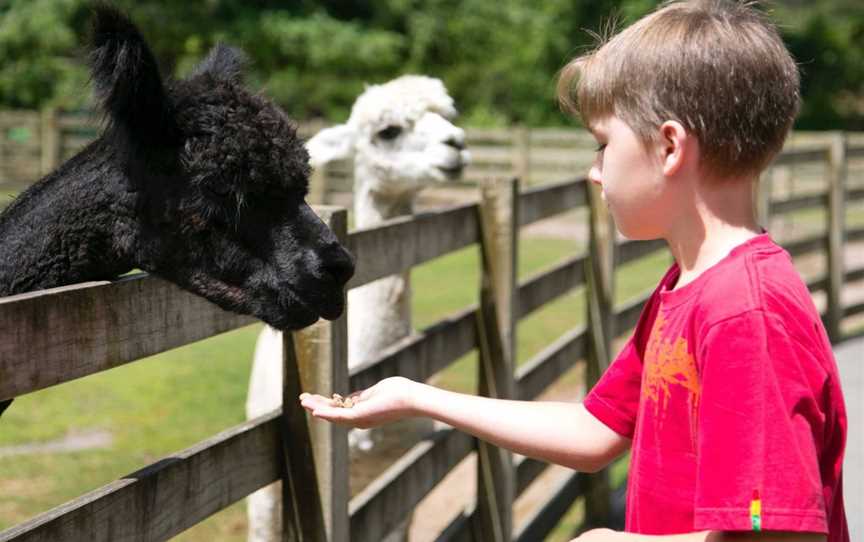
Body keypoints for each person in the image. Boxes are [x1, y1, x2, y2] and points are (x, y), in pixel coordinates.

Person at [300, 1, 849, 540]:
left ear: (669, 146)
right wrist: (417, 396)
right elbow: (596, 431)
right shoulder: (687, 287)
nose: (594, 171)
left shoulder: (744, 313)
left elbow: (776, 536)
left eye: (603, 145)